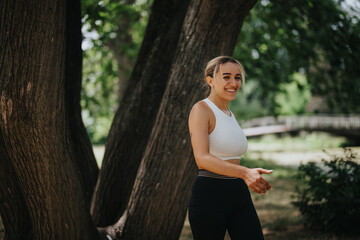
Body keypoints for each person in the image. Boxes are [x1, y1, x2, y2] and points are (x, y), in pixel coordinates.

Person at [188, 56, 273, 240]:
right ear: (210, 80)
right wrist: (245, 172)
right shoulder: (201, 109)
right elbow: (201, 158)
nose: (233, 83)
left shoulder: (229, 114)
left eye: (237, 78)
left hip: (238, 193)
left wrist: (244, 176)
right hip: (210, 195)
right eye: (226, 77)